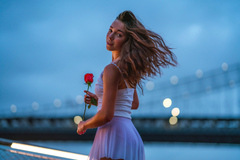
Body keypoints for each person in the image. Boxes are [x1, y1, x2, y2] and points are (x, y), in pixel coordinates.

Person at [77, 10, 177, 160]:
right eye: (110, 30)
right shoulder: (127, 69)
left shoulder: (111, 69)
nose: (110, 36)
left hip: (113, 135)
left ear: (127, 41)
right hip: (129, 135)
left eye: (118, 34)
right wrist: (98, 101)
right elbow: (133, 103)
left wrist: (84, 124)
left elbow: (106, 115)